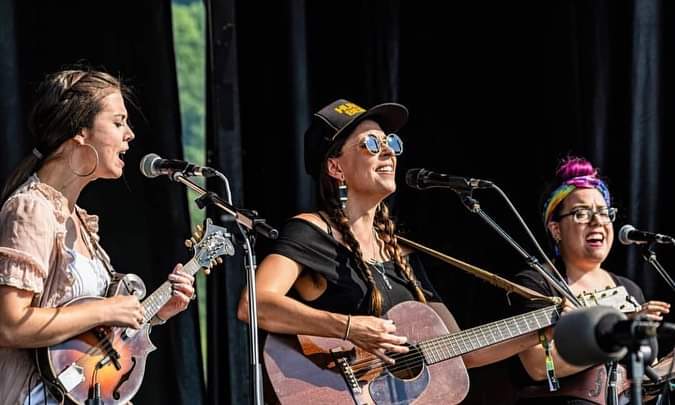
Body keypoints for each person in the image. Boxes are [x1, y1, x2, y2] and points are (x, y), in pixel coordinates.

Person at [237, 99, 549, 402]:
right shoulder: (311, 231)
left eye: (391, 143)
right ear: (335, 167)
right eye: (371, 145)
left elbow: (460, 352)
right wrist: (348, 328)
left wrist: (542, 330)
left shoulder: (401, 252)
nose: (388, 151)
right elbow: (254, 304)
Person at [0, 69, 196, 404]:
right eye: (118, 122)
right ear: (80, 130)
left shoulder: (77, 218)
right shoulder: (32, 209)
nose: (130, 135)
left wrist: (156, 312)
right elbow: (10, 324)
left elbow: (81, 340)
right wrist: (107, 310)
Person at [510, 156, 670, 404]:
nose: (597, 221)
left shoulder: (628, 289)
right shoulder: (537, 283)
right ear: (556, 229)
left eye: (604, 212)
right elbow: (538, 365)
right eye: (582, 213)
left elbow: (640, 379)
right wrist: (619, 334)